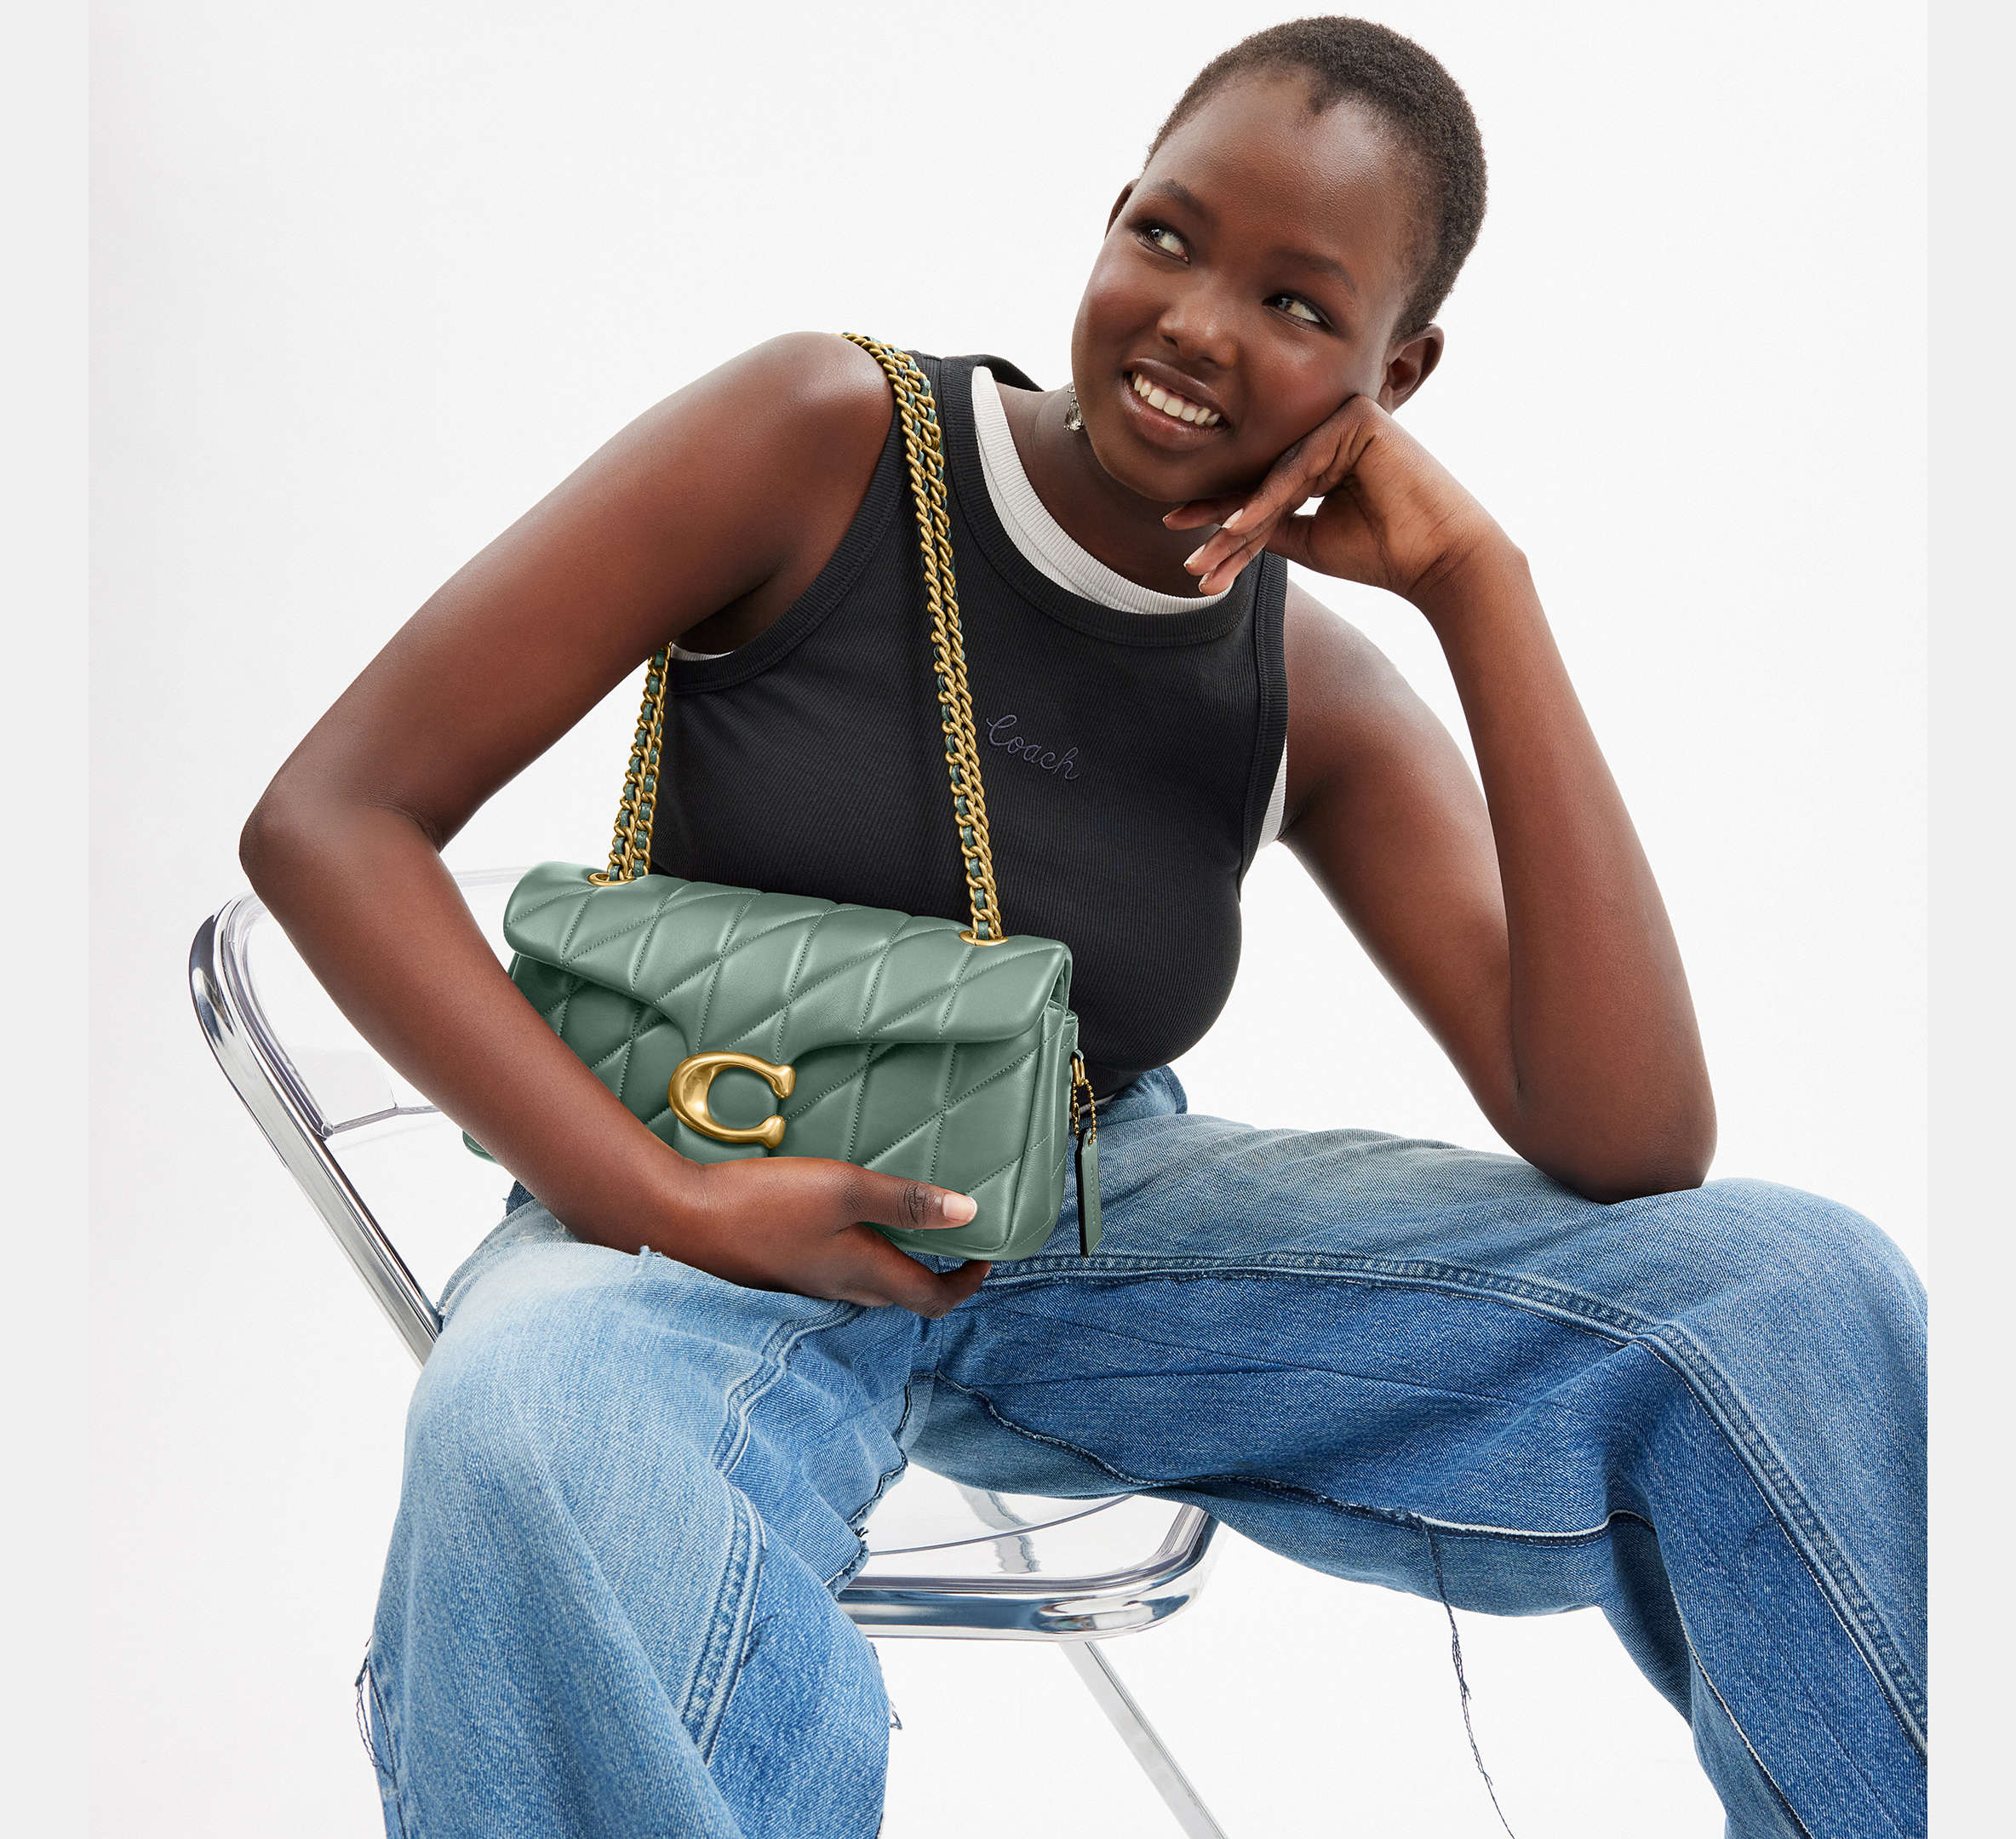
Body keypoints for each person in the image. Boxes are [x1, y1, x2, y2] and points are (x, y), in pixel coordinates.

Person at [238, 17, 1926, 1839]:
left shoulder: (1312, 690)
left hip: (1079, 1230)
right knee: (527, 1417)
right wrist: (666, 1200)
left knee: (1795, 1290)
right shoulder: (823, 439)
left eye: (1296, 303)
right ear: (1114, 212)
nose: (1196, 323)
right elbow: (332, 820)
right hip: (693, 1191)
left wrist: (1476, 588)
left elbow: (1632, 1139)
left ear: (1396, 371)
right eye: (1167, 236)